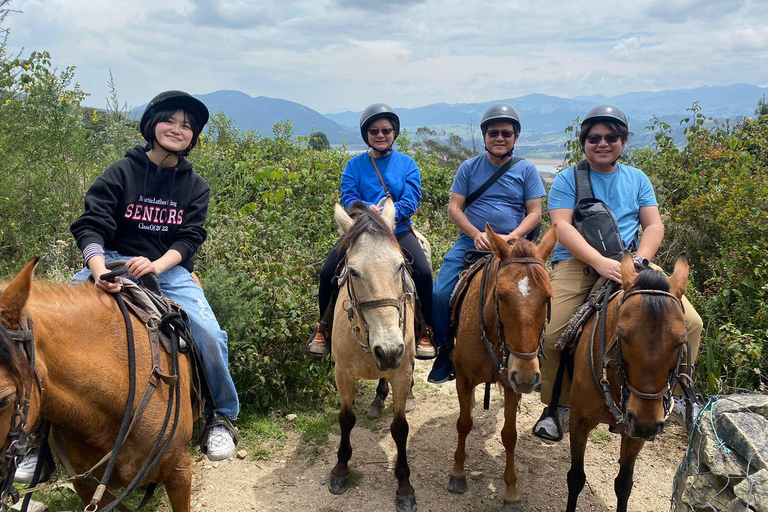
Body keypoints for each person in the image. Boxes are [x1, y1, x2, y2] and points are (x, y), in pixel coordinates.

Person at [70, 91, 238, 458]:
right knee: (58, 325)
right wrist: (98, 271)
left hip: (169, 268)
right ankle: (41, 436)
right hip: (111, 260)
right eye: (170, 120)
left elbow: (190, 238)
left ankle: (220, 416)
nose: (177, 129)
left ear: (193, 137)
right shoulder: (121, 172)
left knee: (208, 333)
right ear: (152, 124)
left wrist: (157, 265)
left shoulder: (195, 186)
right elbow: (91, 225)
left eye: (187, 126)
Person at [532, 104, 703, 441]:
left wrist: (640, 260)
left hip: (634, 264)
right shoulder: (569, 177)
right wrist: (599, 262)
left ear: (623, 141)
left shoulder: (637, 178)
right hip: (578, 263)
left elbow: (653, 225)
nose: (602, 143)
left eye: (611, 137)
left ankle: (680, 396)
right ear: (584, 142)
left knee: (692, 324)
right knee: (551, 335)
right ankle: (559, 406)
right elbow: (562, 227)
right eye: (594, 138)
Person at [427, 103, 546, 384]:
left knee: (537, 296)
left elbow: (535, 213)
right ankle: (445, 351)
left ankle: (534, 353)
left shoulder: (527, 171)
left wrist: (512, 237)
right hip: (472, 244)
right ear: (485, 136)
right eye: (493, 133)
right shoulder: (468, 168)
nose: (500, 138)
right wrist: (476, 234)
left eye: (506, 133)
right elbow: (454, 209)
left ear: (516, 137)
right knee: (441, 293)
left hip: (514, 249)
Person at [306, 103, 435, 359]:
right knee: (328, 272)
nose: (380, 135)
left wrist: (388, 214)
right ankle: (325, 328)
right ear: (366, 134)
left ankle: (426, 330)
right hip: (360, 231)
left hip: (395, 231)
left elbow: (411, 199)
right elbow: (349, 198)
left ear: (394, 133)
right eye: (374, 130)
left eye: (386, 130)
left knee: (423, 271)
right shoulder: (353, 166)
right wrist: (368, 212)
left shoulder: (408, 164)